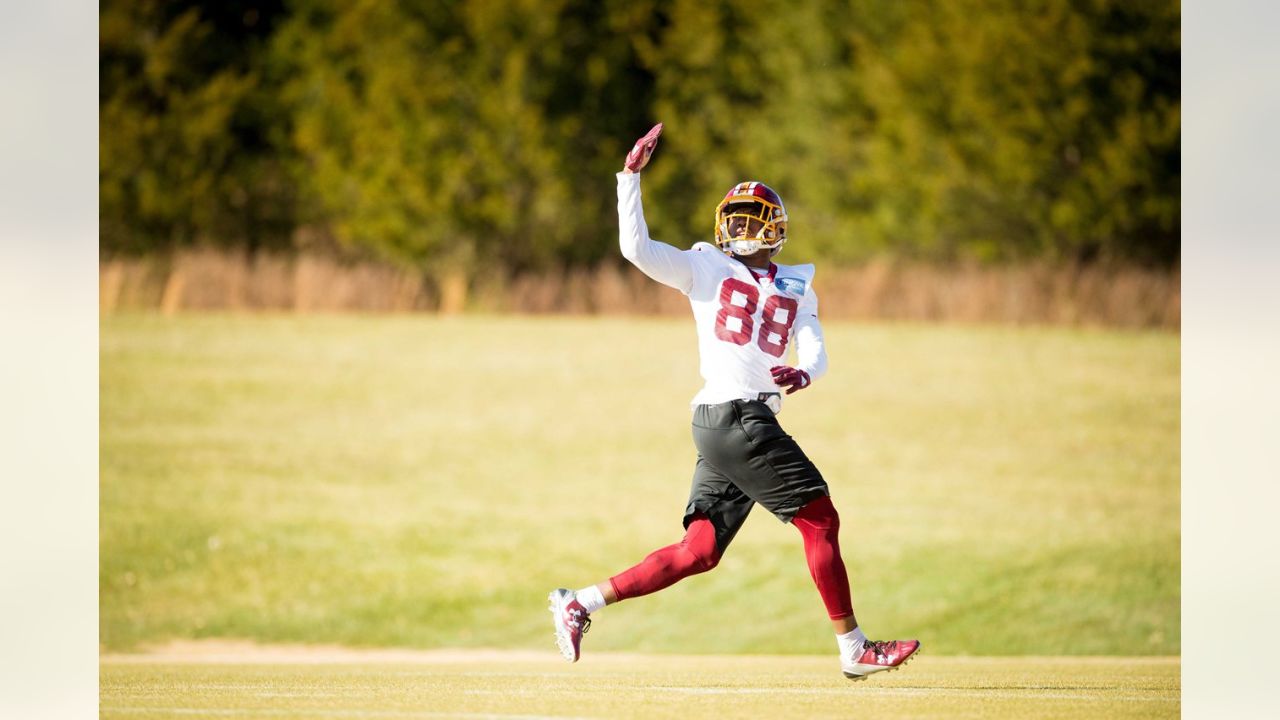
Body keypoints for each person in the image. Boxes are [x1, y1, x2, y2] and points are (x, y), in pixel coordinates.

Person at [548, 123, 919, 680]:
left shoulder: (798, 285)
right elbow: (635, 249)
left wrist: (806, 373)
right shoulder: (703, 266)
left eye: (754, 219)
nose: (744, 228)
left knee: (698, 550)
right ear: (724, 227)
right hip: (738, 415)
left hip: (724, 420)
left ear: (776, 230)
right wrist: (630, 177)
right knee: (820, 521)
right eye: (736, 218)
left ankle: (580, 601)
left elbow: (815, 347)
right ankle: (855, 649)